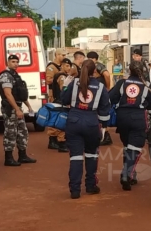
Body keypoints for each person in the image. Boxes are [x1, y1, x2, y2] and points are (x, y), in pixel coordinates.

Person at [60, 59, 111, 199]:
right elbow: (105, 110)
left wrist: (67, 81)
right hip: (91, 123)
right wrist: (104, 128)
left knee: (75, 157)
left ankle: (75, 190)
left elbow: (63, 99)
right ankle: (90, 185)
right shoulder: (100, 87)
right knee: (91, 156)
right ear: (95, 71)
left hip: (74, 122)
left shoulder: (74, 83)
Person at [109, 60, 151, 191]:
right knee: (134, 148)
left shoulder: (121, 83)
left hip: (122, 118)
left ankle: (131, 173)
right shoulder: (146, 85)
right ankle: (127, 174)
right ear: (143, 71)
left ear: (129, 70)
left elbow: (111, 98)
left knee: (128, 146)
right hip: (137, 118)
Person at [0, 55, 37, 166]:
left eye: (17, 62)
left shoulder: (15, 76)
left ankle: (22, 155)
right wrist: (16, 109)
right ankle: (8, 158)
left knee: (22, 131)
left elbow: (20, 93)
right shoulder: (5, 75)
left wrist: (28, 106)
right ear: (8, 62)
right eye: (13, 61)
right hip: (10, 108)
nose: (15, 64)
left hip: (17, 107)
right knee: (10, 132)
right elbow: (8, 94)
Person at [87, 51, 113, 146]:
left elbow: (106, 75)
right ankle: (104, 135)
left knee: (101, 114)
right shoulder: (93, 66)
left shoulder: (97, 66)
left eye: (91, 58)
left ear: (95, 59)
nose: (90, 60)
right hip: (97, 91)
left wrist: (107, 87)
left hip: (99, 91)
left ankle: (105, 136)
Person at [50, 58, 73, 153]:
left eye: (70, 66)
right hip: (61, 102)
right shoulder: (62, 77)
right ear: (62, 65)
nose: (69, 68)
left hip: (57, 100)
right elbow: (64, 89)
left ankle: (52, 142)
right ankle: (62, 144)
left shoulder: (58, 75)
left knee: (55, 122)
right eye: (67, 66)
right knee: (62, 123)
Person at [46, 48, 66, 150]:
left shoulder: (61, 67)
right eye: (62, 55)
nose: (64, 57)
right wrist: (58, 77)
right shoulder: (51, 67)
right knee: (54, 116)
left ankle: (59, 138)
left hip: (60, 95)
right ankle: (52, 140)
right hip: (53, 94)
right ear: (57, 55)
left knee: (60, 116)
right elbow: (48, 80)